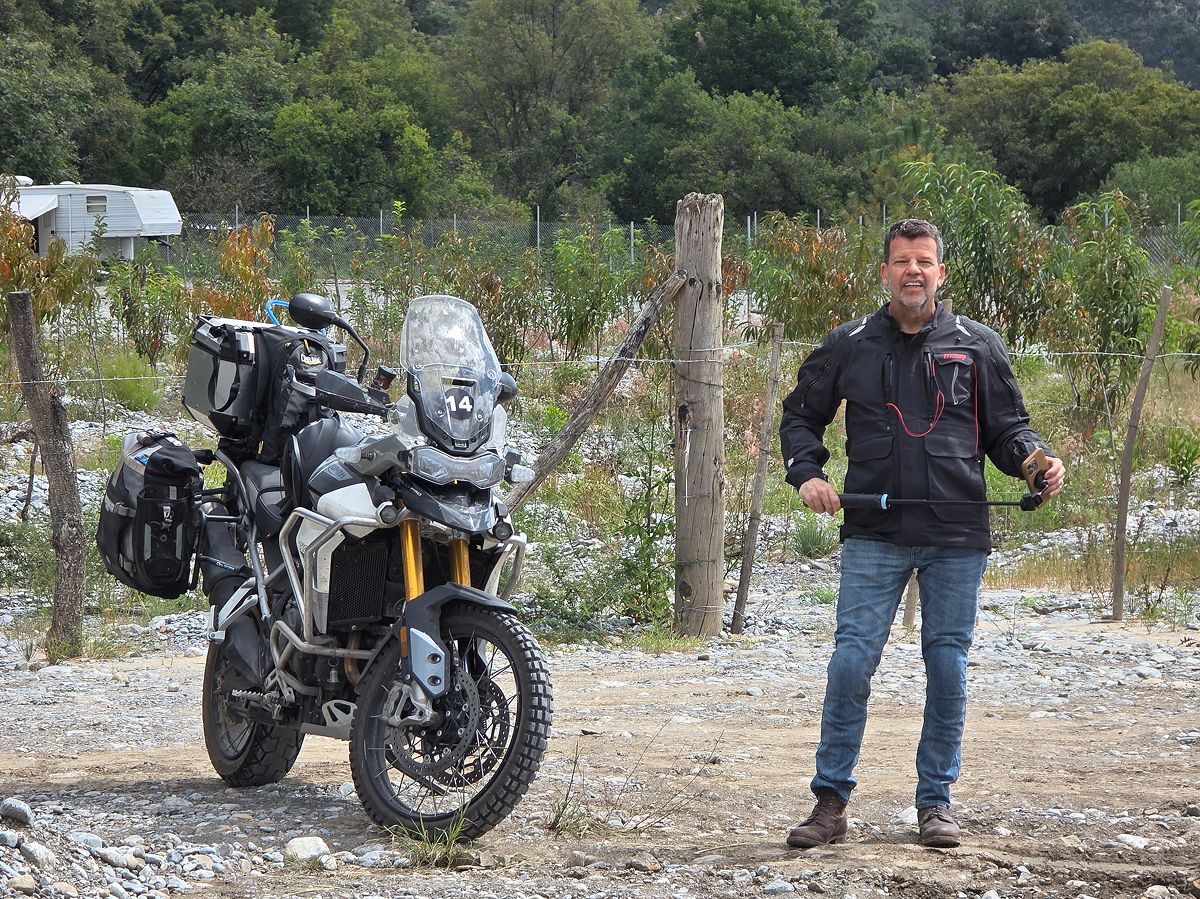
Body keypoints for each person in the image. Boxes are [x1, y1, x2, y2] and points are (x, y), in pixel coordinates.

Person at [778, 218, 1065, 849]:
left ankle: (935, 804)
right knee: (851, 662)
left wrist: (1036, 462)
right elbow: (801, 417)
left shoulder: (976, 345)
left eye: (924, 262)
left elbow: (1008, 432)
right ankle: (829, 804)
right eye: (902, 261)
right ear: (884, 272)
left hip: (956, 535)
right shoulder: (848, 344)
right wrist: (808, 475)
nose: (913, 271)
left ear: (940, 272)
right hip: (873, 531)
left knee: (947, 667)